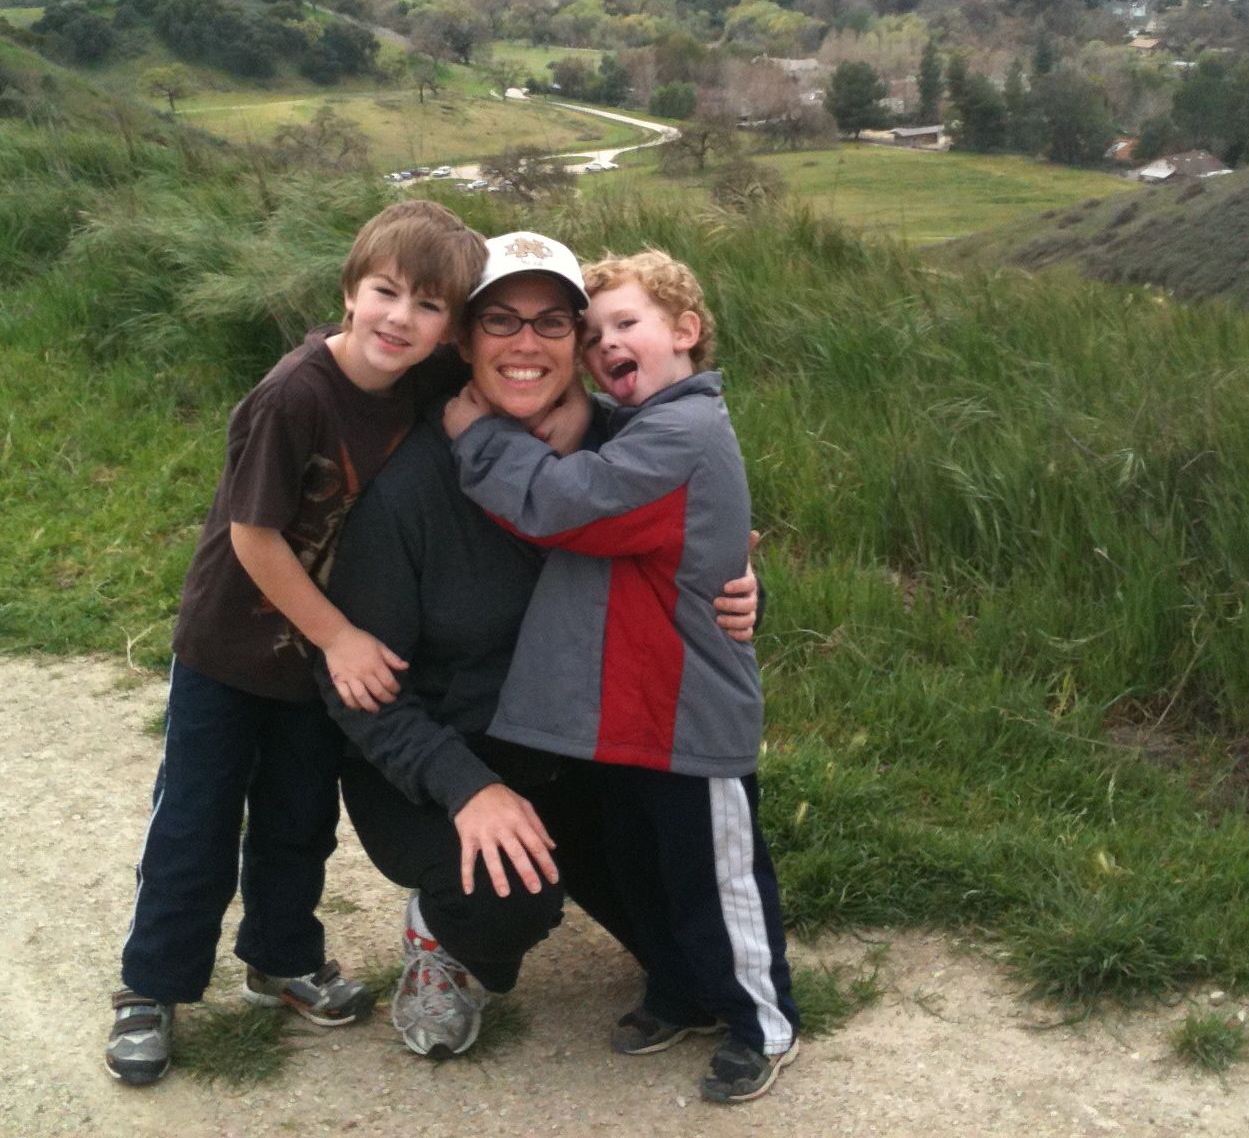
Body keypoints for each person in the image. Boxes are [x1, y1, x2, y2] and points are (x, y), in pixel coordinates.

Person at [316, 231, 762, 1071]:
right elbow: (354, 690)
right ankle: (437, 935)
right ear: (462, 341)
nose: (527, 345)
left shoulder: (620, 444)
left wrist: (740, 588)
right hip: (439, 757)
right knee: (507, 896)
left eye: (555, 324)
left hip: (569, 745)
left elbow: (691, 533)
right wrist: (466, 788)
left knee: (688, 940)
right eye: (501, 323)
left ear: (579, 346)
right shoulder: (410, 488)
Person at [105, 200, 486, 1087]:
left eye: (429, 307)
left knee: (298, 820)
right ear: (349, 291)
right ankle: (150, 987)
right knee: (195, 822)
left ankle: (280, 959)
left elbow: (504, 379)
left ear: (448, 330)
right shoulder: (293, 395)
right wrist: (343, 636)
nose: (401, 318)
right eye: (385, 292)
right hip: (231, 653)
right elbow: (256, 539)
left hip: (314, 670)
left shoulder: (419, 382)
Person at [445, 247, 798, 1103]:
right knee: (648, 866)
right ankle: (681, 991)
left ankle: (762, 1020)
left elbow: (568, 505)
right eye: (593, 335)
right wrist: (568, 403)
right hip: (632, 712)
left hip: (688, 714)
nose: (605, 347)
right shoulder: (642, 421)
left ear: (687, 332)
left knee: (719, 881)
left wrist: (482, 435)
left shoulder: (683, 432)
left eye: (626, 325)